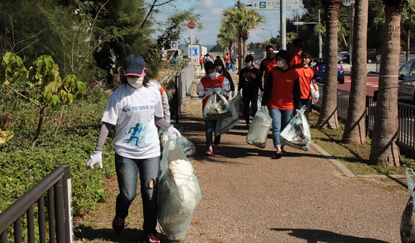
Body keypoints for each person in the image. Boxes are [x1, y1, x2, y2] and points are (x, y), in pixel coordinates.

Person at [86, 54, 181, 243]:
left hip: (150, 151)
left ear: (145, 72)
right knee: (128, 194)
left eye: (138, 75)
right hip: (125, 152)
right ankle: (120, 215)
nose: (135, 79)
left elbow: (157, 118)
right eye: (131, 75)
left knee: (150, 193)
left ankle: (149, 232)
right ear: (124, 73)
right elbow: (107, 124)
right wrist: (98, 150)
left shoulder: (153, 92)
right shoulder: (118, 96)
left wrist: (168, 127)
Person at [262, 50, 301, 159]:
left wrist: (298, 107)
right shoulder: (274, 72)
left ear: (286, 60)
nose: (278, 61)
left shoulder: (294, 74)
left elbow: (297, 92)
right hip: (274, 105)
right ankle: (278, 148)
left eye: (280, 59)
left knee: (285, 128)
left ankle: (282, 146)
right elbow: (268, 89)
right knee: (276, 127)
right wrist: (263, 103)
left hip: (289, 106)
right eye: (277, 59)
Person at [196, 61, 230, 156]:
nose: (211, 73)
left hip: (219, 107)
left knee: (218, 127)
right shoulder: (203, 81)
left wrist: (221, 91)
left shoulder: (222, 79)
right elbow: (199, 94)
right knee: (209, 128)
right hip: (207, 108)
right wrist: (206, 93)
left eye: (212, 71)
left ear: (215, 69)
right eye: (209, 71)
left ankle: (216, 144)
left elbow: (227, 91)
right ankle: (209, 147)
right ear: (206, 72)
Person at [238, 55, 263, 128]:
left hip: (254, 92)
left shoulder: (256, 71)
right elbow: (240, 81)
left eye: (249, 62)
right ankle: (247, 122)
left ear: (252, 62)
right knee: (246, 107)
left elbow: (259, 82)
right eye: (246, 62)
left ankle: (254, 121)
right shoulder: (243, 71)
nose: (247, 63)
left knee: (254, 107)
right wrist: (239, 89)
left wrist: (262, 90)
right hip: (245, 91)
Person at [295, 51, 319, 120]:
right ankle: (298, 128)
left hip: (307, 96)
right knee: (298, 114)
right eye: (302, 57)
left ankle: (305, 128)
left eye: (306, 58)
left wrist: (316, 91)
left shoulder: (311, 70)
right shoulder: (295, 68)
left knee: (306, 114)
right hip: (297, 96)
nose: (304, 59)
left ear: (309, 59)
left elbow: (314, 82)